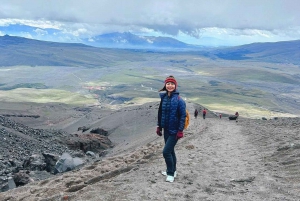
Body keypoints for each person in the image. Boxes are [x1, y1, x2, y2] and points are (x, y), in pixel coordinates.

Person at [156, 75, 186, 183]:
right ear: (165, 85)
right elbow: (160, 113)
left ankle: (170, 173)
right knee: (171, 151)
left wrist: (180, 131)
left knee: (166, 152)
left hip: (175, 131)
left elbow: (183, 116)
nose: (170, 85)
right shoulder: (164, 98)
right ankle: (173, 170)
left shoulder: (179, 100)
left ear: (175, 86)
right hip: (166, 129)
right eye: (168, 83)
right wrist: (159, 126)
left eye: (172, 84)